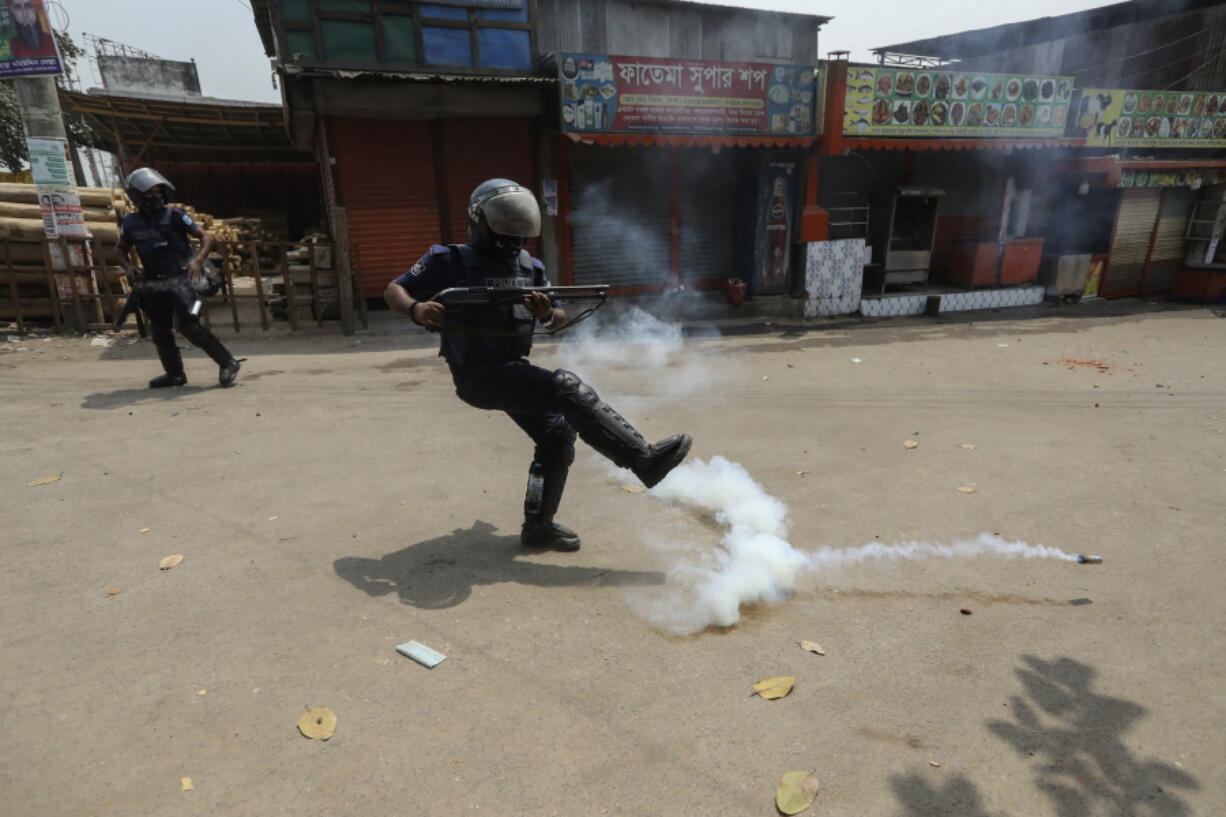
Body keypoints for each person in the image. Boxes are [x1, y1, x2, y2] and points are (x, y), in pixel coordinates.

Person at [385, 178, 692, 552]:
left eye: (519, 228)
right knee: (565, 386)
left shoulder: (530, 266)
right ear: (479, 221)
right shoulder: (446, 260)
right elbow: (394, 290)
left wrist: (548, 314)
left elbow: (557, 318)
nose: (513, 237)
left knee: (557, 434)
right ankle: (642, 460)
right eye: (504, 225)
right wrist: (416, 308)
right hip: (476, 374)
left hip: (511, 368)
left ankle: (538, 527)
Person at [115, 167, 242, 388]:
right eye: (149, 193)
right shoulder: (130, 222)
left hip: (185, 282)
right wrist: (128, 267)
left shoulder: (175, 214)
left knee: (189, 325)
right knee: (160, 330)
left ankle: (228, 362)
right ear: (136, 196)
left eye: (158, 192)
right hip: (155, 283)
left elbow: (205, 236)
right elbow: (120, 249)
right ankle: (174, 374)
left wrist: (198, 260)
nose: (155, 196)